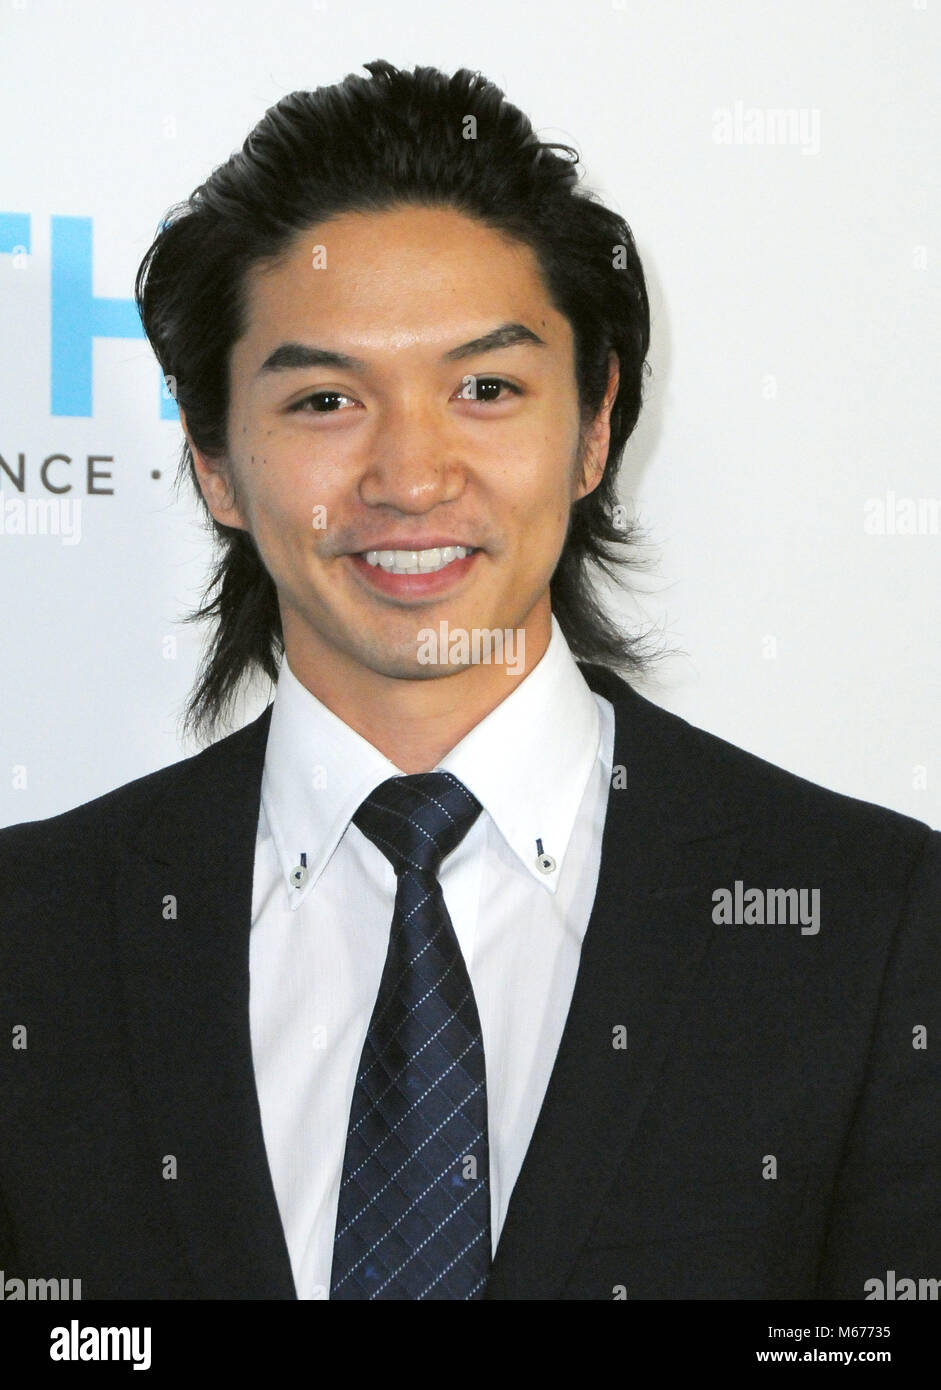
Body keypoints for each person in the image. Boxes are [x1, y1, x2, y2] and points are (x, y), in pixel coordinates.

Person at [1, 59, 938, 1302]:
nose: (409, 473)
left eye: (485, 388)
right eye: (325, 397)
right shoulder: (34, 936)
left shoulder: (868, 926)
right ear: (215, 462)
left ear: (594, 427)